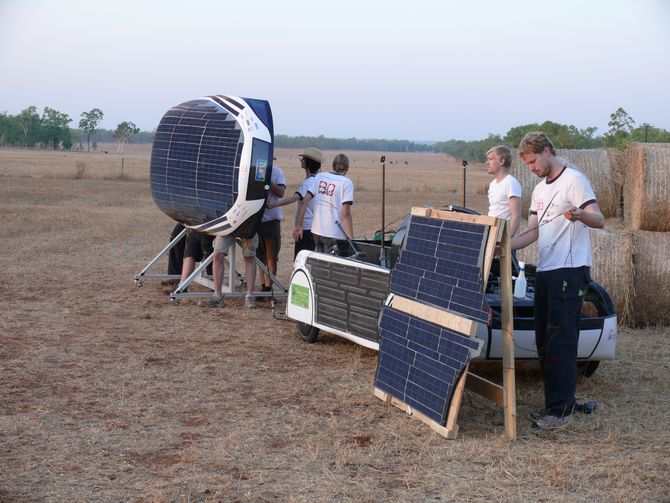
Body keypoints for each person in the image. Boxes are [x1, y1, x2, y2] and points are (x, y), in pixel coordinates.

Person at [511, 132, 604, 429]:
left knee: (560, 341)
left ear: (548, 151)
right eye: (527, 165)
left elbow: (598, 219)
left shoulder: (574, 180)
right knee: (544, 341)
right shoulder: (538, 190)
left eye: (533, 161)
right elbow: (532, 232)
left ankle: (560, 412)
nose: (531, 168)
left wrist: (578, 214)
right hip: (547, 271)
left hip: (570, 270)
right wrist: (501, 247)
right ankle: (562, 401)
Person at [293, 153, 354, 255]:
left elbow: (304, 201)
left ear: (333, 165)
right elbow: (345, 214)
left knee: (320, 263)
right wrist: (351, 239)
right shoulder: (346, 183)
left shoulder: (320, 176)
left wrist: (298, 225)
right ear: (347, 168)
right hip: (334, 233)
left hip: (317, 231)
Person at [266, 147, 322, 257]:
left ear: (307, 163)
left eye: (303, 159)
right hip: (315, 227)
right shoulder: (318, 180)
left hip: (305, 229)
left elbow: (295, 198)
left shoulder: (308, 183)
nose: (301, 161)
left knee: (300, 260)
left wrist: (274, 205)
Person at [199, 234, 259, 309]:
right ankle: (217, 296)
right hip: (227, 225)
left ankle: (250, 296)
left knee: (249, 256)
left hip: (247, 225)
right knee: (217, 255)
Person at [255, 165, 286, 295]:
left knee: (271, 258)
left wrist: (267, 180)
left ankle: (268, 288)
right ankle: (263, 286)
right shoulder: (254, 170)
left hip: (271, 220)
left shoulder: (277, 171)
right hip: (256, 220)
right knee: (259, 257)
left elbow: (281, 193)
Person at [485, 145, 521, 236]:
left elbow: (516, 217)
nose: (486, 163)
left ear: (501, 161)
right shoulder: (492, 184)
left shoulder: (511, 183)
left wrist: (506, 241)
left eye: (490, 159)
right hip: (491, 233)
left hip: (502, 237)